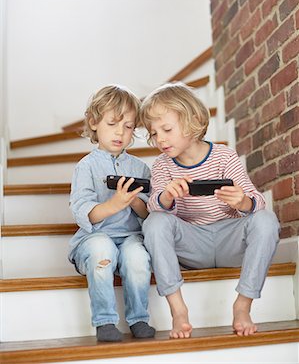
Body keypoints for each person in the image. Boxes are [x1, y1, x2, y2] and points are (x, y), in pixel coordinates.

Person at [139, 82, 280, 339]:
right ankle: (178, 310)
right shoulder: (162, 166)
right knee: (154, 222)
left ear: (193, 121)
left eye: (167, 129)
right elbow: (152, 206)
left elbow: (257, 201)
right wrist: (167, 196)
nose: (160, 139)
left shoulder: (224, 157)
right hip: (192, 245)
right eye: (154, 133)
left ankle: (243, 305)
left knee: (266, 220)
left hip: (230, 240)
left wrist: (242, 202)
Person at [69, 84, 155, 342]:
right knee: (102, 250)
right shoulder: (85, 167)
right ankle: (105, 321)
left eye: (128, 126)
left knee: (137, 258)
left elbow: (149, 213)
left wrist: (133, 202)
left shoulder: (140, 168)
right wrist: (115, 203)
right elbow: (84, 212)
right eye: (113, 123)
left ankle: (139, 319)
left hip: (130, 236)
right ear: (94, 122)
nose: (120, 132)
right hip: (94, 237)